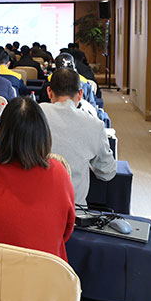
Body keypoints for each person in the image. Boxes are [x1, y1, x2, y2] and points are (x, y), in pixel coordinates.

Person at [0, 97, 75, 261]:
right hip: (42, 274)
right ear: (43, 134)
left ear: (2, 132)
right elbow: (66, 231)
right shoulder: (59, 175)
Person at [40, 69, 116, 205]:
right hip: (74, 210)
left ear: (49, 91)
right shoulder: (94, 124)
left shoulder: (33, 115)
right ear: (80, 94)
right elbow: (107, 172)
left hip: (33, 205)